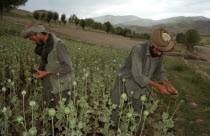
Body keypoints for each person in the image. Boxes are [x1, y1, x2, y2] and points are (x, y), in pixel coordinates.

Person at [111, 28, 179, 136]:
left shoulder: (159, 53)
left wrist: (168, 85)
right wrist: (158, 87)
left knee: (138, 117)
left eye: (162, 51)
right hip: (123, 84)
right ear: (152, 44)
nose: (160, 53)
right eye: (159, 50)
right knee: (115, 115)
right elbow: (137, 75)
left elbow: (159, 71)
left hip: (140, 88)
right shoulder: (138, 49)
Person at [20, 22, 76, 108]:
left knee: (59, 112)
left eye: (32, 39)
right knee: (48, 109)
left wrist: (48, 72)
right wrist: (40, 68)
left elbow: (68, 67)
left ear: (39, 34)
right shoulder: (45, 45)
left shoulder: (58, 45)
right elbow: (50, 61)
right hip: (49, 84)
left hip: (60, 87)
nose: (33, 42)